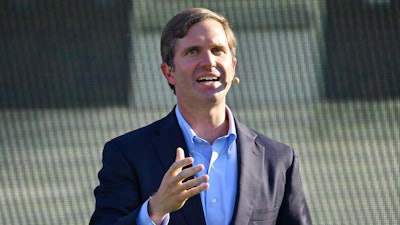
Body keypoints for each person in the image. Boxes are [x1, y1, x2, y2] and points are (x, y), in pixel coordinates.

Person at [90, 7, 312, 225]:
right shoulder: (127, 153)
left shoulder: (279, 160)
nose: (209, 61)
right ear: (169, 72)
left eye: (217, 50)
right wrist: (154, 210)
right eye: (193, 51)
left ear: (233, 66)